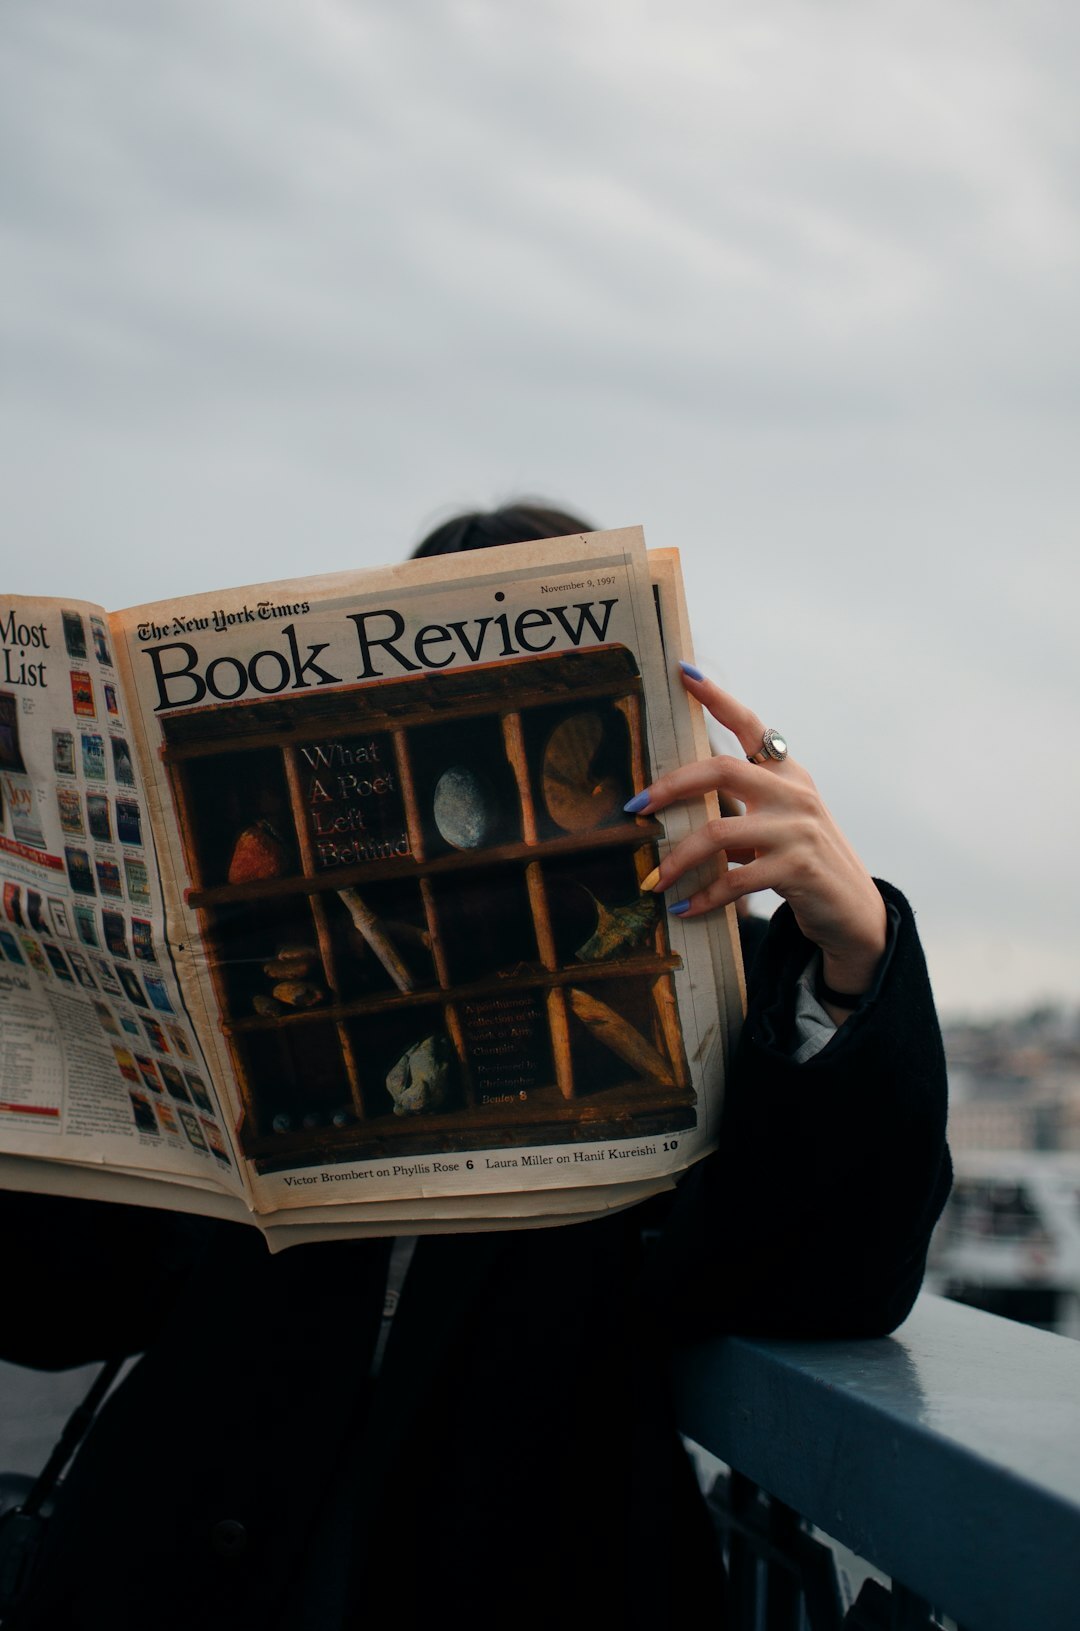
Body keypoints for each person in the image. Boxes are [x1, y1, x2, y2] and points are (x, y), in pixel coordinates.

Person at [0, 504, 950, 1630]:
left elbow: (833, 1283)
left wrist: (853, 956)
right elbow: (58, 1299)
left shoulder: (700, 968)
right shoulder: (262, 956)